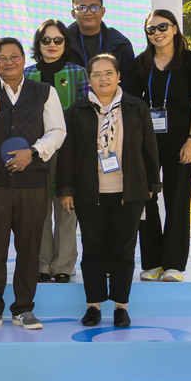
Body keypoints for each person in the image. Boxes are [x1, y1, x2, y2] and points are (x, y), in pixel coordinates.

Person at [0, 38, 66, 330]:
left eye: (15, 56)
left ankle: (23, 308)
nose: (9, 62)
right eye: (2, 57)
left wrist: (32, 152)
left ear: (25, 59)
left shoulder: (44, 92)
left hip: (32, 183)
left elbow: (58, 131)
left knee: (29, 246)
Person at [57, 54, 160, 329]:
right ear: (88, 80)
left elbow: (149, 149)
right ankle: (93, 305)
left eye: (108, 73)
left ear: (118, 76)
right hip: (90, 193)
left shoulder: (136, 107)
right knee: (92, 249)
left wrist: (152, 186)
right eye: (96, 74)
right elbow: (67, 155)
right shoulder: (77, 110)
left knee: (123, 250)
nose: (103, 78)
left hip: (130, 191)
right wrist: (66, 190)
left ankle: (121, 306)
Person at [136, 10, 191, 282]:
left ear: (175, 28)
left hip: (181, 139)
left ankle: (174, 264)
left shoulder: (190, 60)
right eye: (151, 30)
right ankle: (152, 262)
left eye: (162, 27)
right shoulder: (142, 62)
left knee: (177, 199)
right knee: (147, 197)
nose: (157, 33)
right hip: (148, 139)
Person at [23, 19, 89, 284]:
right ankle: (41, 264)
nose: (52, 45)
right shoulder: (27, 74)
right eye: (46, 40)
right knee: (38, 212)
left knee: (66, 209)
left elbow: (86, 114)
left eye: (58, 40)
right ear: (38, 44)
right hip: (35, 152)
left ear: (66, 42)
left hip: (69, 150)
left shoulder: (79, 73)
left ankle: (63, 264)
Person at [65, 0, 140, 96]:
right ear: (73, 14)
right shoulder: (62, 43)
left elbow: (129, 86)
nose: (89, 13)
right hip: (73, 108)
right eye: (82, 8)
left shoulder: (120, 43)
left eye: (94, 8)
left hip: (112, 108)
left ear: (103, 11)